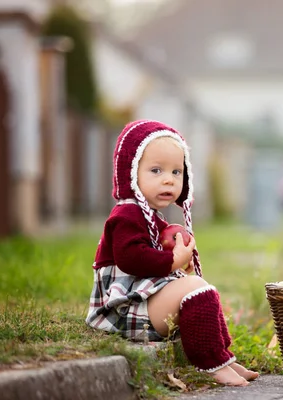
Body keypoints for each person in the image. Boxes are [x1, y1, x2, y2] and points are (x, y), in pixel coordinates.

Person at [86, 119, 258, 386]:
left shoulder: (152, 217)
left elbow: (155, 270)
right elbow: (130, 259)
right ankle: (210, 363)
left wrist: (180, 266)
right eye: (156, 170)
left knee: (201, 287)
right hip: (124, 312)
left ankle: (223, 355)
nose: (168, 179)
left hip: (144, 303)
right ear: (130, 174)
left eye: (176, 172)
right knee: (196, 287)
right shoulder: (126, 215)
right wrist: (172, 261)